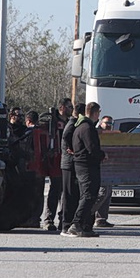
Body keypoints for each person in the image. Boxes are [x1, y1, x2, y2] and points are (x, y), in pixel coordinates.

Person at [62, 102, 106, 238]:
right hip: (86, 166)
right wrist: (102, 155)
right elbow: (92, 148)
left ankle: (85, 226)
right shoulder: (87, 127)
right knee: (88, 195)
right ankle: (76, 224)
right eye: (99, 112)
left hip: (81, 165)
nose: (99, 115)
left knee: (87, 195)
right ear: (95, 112)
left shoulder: (80, 126)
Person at [40, 98, 71, 231]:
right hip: (55, 159)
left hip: (66, 159)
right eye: (69, 107)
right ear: (62, 107)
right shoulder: (51, 122)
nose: (71, 109)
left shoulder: (70, 122)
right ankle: (49, 220)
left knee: (66, 193)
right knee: (55, 190)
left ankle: (63, 219)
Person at [58, 101, 81, 233]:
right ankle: (65, 224)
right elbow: (66, 137)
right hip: (68, 164)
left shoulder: (73, 123)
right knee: (67, 194)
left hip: (71, 163)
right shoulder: (72, 123)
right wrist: (70, 148)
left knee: (72, 194)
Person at [93, 115, 115, 228]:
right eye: (107, 123)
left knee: (108, 193)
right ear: (101, 123)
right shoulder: (97, 134)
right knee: (102, 192)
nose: (109, 126)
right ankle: (89, 213)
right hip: (99, 167)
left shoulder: (112, 136)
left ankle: (101, 219)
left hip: (109, 168)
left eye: (111, 124)